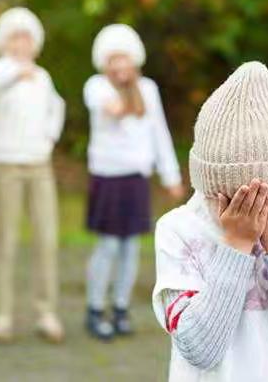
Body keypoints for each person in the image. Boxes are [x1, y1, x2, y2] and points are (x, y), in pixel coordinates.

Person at [152, 61, 268, 382]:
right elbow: (201, 350)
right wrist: (236, 244)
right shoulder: (179, 231)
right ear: (208, 185)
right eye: (236, 200)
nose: (253, 216)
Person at [83, 24, 184, 341]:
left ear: (134, 59)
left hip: (136, 178)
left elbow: (159, 133)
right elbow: (112, 108)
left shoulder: (149, 89)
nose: (119, 65)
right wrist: (126, 92)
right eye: (113, 59)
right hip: (108, 178)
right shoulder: (97, 86)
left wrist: (171, 176)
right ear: (104, 62)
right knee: (109, 245)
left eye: (124, 58)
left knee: (132, 247)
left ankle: (121, 307)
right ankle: (95, 307)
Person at [0, 7, 65, 343]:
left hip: (38, 164)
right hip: (6, 165)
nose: (21, 43)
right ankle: (2, 314)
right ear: (3, 41)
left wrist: (49, 138)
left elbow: (56, 109)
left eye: (26, 37)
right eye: (14, 37)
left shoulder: (42, 76)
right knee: (6, 240)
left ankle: (47, 312)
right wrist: (17, 73)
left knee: (46, 238)